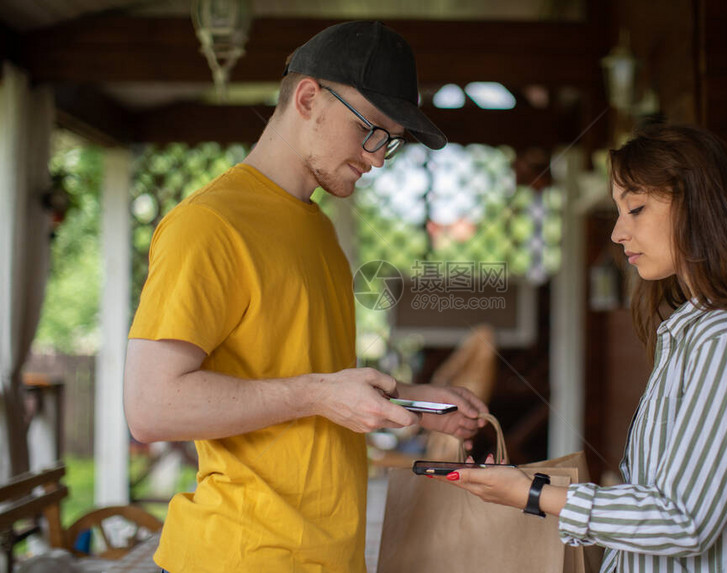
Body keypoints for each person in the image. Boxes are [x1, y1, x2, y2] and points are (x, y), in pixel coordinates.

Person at [123, 21, 488, 573]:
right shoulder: (209, 224)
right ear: (309, 97)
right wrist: (319, 394)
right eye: (371, 130)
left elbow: (314, 377)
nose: (378, 157)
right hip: (243, 556)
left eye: (389, 140)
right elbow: (150, 408)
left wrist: (418, 403)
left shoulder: (316, 229)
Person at [438, 123, 727, 571]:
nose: (618, 233)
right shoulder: (691, 332)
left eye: (635, 208)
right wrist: (528, 483)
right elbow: (661, 503)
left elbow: (684, 521)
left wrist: (534, 494)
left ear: (698, 207)